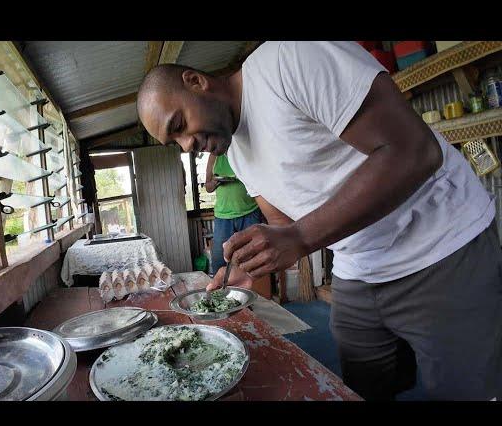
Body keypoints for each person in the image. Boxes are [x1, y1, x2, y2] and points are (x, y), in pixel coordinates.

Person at [136, 41, 502, 401]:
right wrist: (253, 267)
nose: (187, 146)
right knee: (360, 386)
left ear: (196, 82)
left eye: (180, 125)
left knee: (467, 388)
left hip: (440, 245)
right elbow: (285, 229)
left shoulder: (289, 60)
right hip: (359, 266)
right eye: (176, 142)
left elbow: (413, 150)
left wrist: (298, 237)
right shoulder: (240, 155)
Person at [204, 153, 264, 275]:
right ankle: (220, 292)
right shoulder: (214, 156)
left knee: (255, 258)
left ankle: (255, 292)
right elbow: (208, 187)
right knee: (219, 261)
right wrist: (216, 182)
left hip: (250, 212)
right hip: (223, 217)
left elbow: (261, 178)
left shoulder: (243, 149)